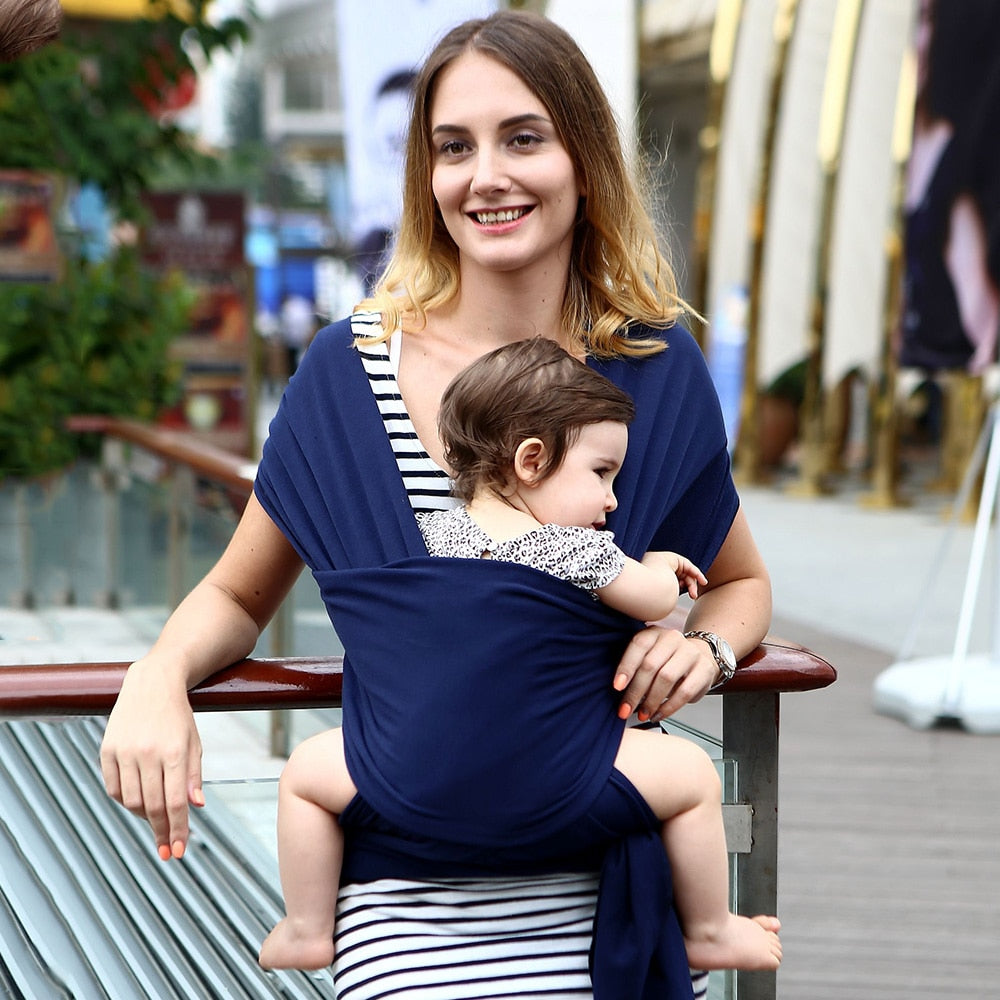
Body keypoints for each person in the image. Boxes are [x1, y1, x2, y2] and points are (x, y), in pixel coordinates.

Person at [100, 11, 773, 999]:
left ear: (585, 159)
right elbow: (240, 597)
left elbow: (741, 583)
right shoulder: (347, 372)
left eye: (523, 138)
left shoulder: (653, 367)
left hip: (609, 901)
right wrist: (158, 676)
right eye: (452, 147)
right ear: (426, 177)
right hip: (407, 909)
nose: (485, 175)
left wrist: (705, 646)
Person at [257, 337, 781, 975]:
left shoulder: (432, 539)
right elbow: (649, 600)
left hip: (414, 771)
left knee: (305, 777)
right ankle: (711, 929)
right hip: (552, 771)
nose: (614, 500)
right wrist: (661, 566)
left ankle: (308, 928)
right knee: (694, 778)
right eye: (602, 473)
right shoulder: (575, 550)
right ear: (532, 460)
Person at [899, 0, 1000, 374]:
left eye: (929, 22)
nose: (921, 41)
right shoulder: (916, 148)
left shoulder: (960, 181)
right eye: (921, 21)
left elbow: (976, 317)